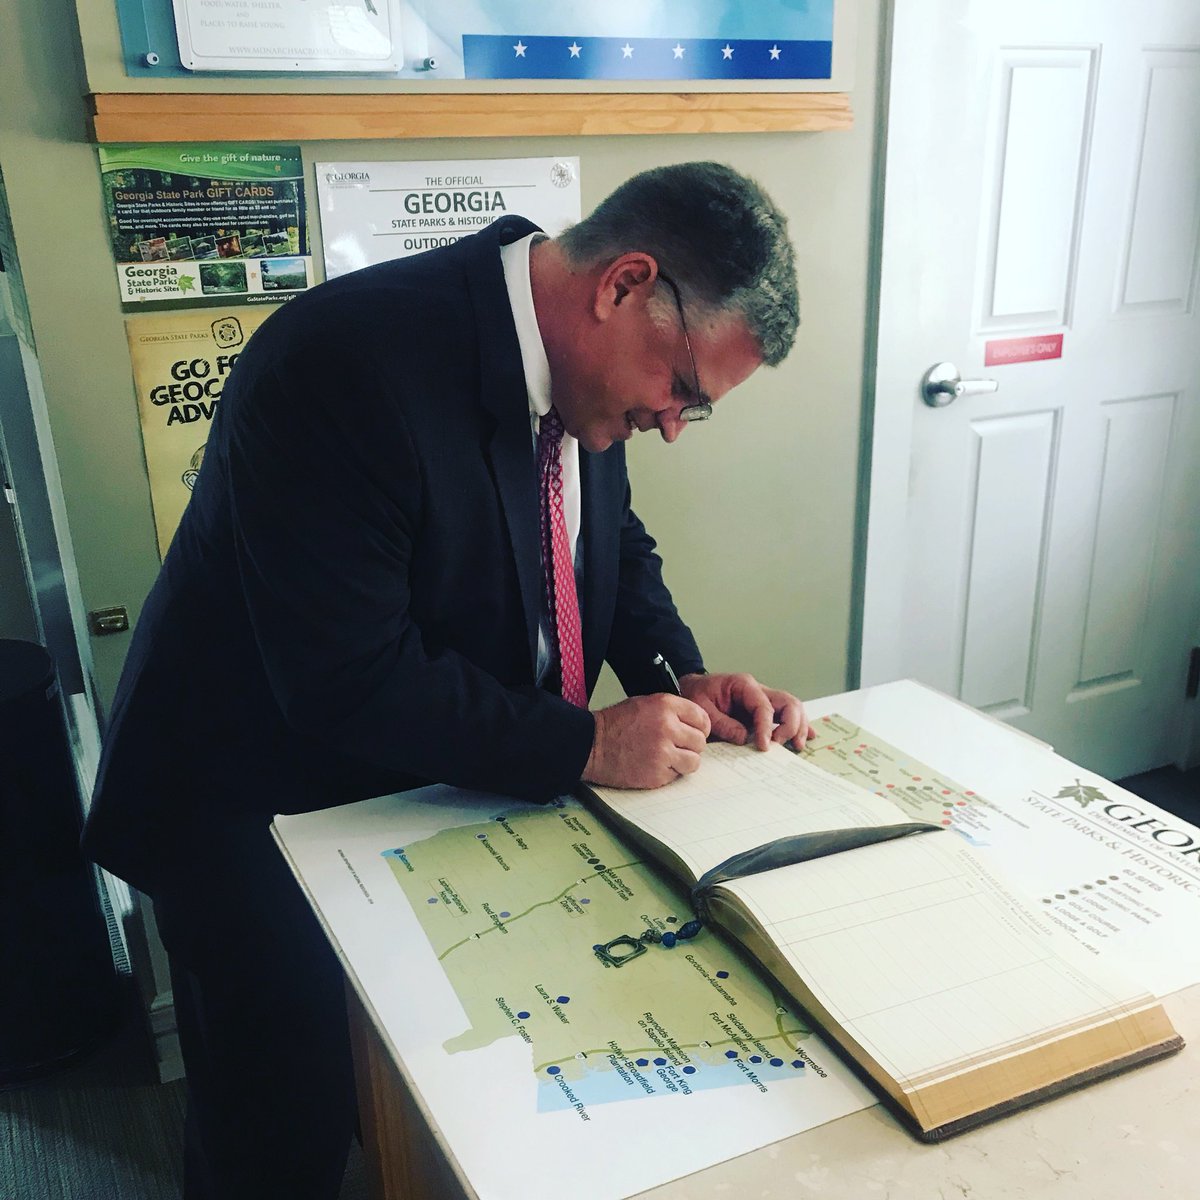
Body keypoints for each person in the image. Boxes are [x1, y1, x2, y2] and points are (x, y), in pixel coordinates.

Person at [83, 160, 809, 1199]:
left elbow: (604, 538)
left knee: (430, 1108)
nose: (673, 425)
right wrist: (590, 743)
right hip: (252, 810)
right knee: (278, 1131)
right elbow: (348, 677)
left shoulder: (582, 378)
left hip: (420, 792)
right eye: (683, 390)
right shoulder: (345, 362)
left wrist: (678, 672)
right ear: (624, 285)